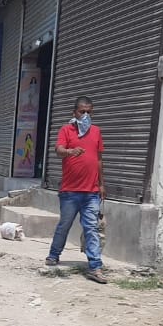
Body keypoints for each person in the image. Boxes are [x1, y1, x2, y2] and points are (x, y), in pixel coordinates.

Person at [46, 96, 107, 284]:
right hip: (70, 191)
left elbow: (98, 159)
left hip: (91, 192)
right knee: (64, 224)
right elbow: (58, 150)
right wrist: (70, 151)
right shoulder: (67, 130)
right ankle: (54, 255)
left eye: (89, 112)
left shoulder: (96, 131)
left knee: (91, 228)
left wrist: (101, 184)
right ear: (75, 112)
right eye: (82, 111)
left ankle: (95, 266)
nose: (86, 115)